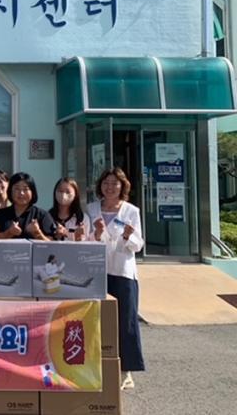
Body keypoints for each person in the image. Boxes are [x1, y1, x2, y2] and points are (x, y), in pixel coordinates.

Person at [87, 167, 145, 390]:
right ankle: (99, 365)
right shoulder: (92, 209)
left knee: (126, 320)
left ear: (122, 186)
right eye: (106, 183)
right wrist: (96, 233)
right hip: (98, 270)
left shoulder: (131, 211)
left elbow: (138, 245)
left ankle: (125, 371)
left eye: (114, 183)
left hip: (123, 272)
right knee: (97, 319)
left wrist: (128, 236)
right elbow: (85, 240)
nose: (110, 187)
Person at [0, 172, 55, 240]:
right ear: (10, 191)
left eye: (26, 189)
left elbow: (51, 243)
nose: (21, 193)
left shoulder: (42, 215)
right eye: (17, 189)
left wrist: (37, 233)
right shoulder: (0, 214)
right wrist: (9, 233)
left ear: (32, 192)